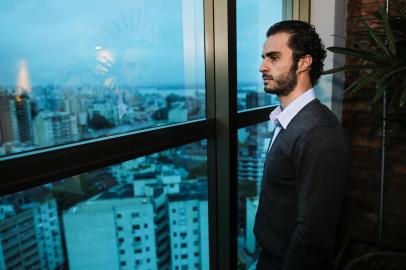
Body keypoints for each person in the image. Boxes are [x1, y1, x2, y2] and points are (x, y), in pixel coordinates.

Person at [254, 20, 350, 270]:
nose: (262, 67)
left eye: (273, 58)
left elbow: (314, 233)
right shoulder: (290, 120)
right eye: (264, 57)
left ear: (303, 63)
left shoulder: (319, 132)